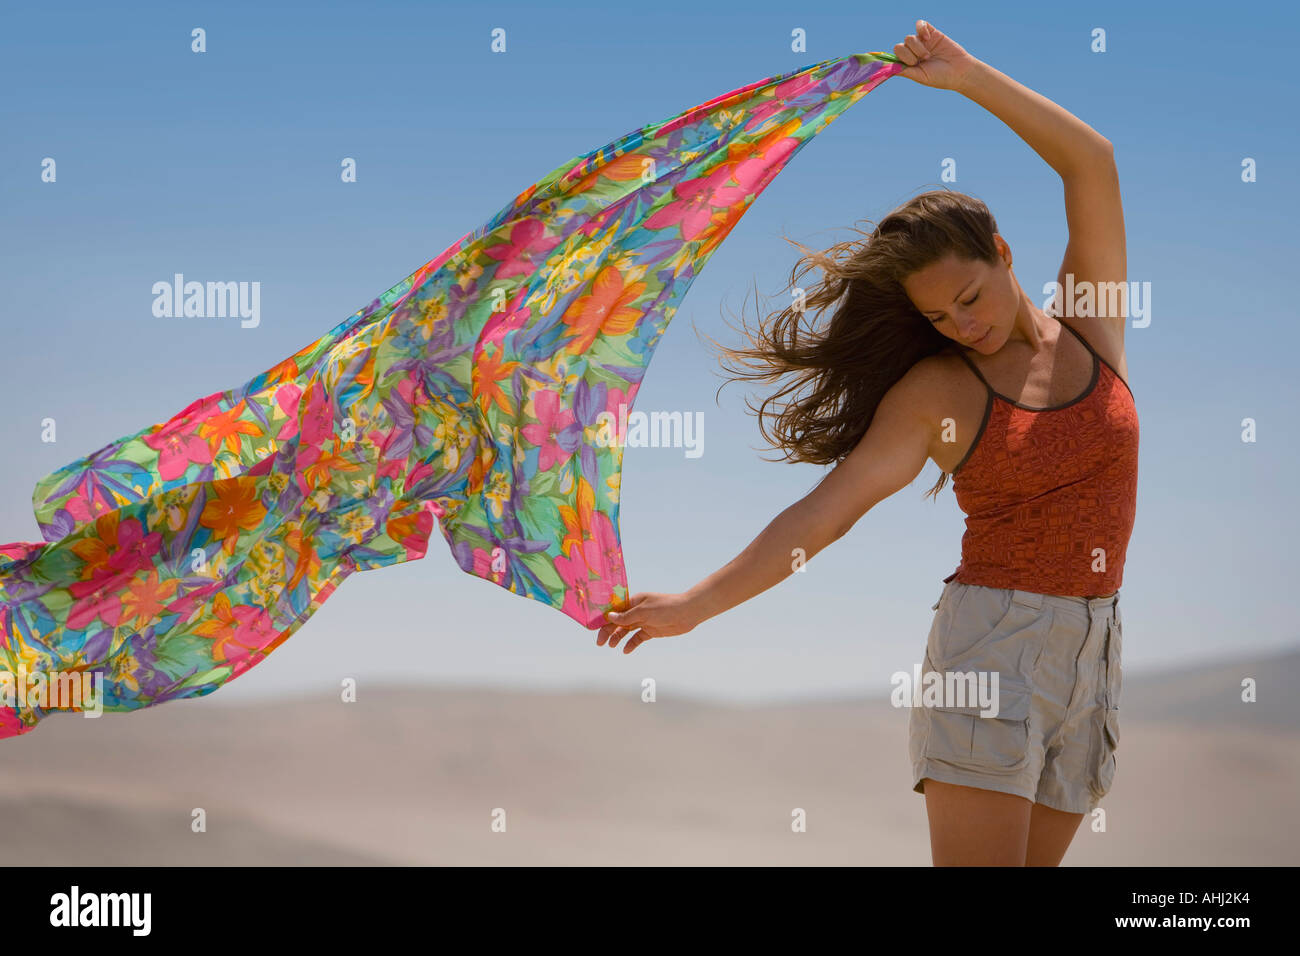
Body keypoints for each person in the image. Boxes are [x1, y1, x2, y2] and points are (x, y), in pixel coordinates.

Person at [596, 20, 1138, 866]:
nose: (965, 324)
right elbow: (827, 513)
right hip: (990, 651)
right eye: (938, 317)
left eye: (968, 296)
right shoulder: (938, 394)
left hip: (1094, 652)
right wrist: (694, 607)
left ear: (1001, 251)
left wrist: (969, 79)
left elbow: (1092, 162)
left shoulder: (1094, 330)